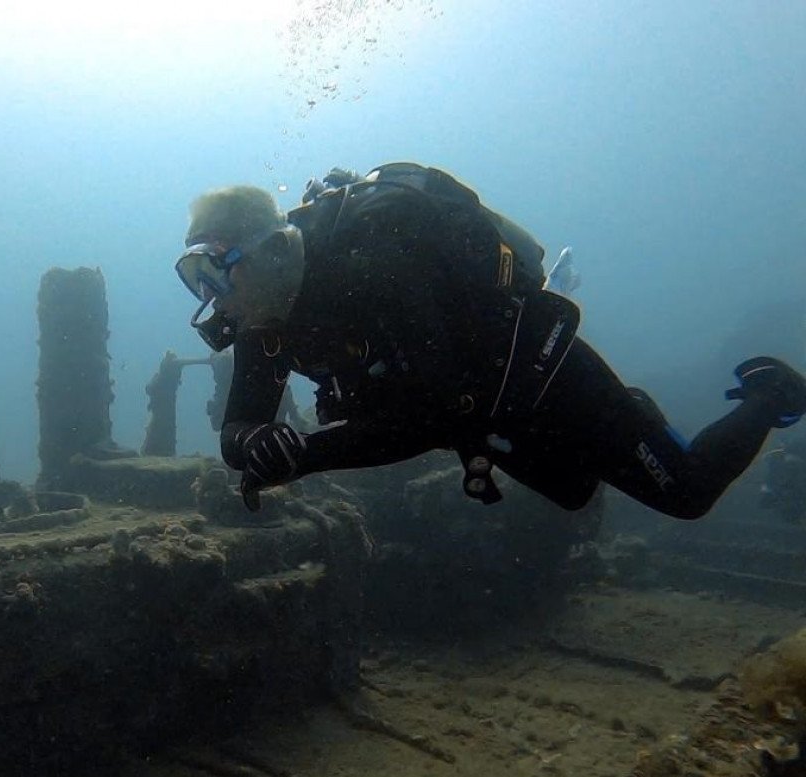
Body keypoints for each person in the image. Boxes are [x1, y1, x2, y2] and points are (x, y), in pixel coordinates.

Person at [173, 162, 806, 517]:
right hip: (480, 411)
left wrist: (307, 455)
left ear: (276, 250)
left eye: (214, 268)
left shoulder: (376, 261)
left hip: (533, 369)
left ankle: (769, 392)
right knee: (578, 490)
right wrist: (259, 442)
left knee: (685, 491)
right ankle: (632, 417)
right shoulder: (265, 315)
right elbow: (238, 430)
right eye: (194, 277)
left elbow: (429, 418)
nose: (212, 297)